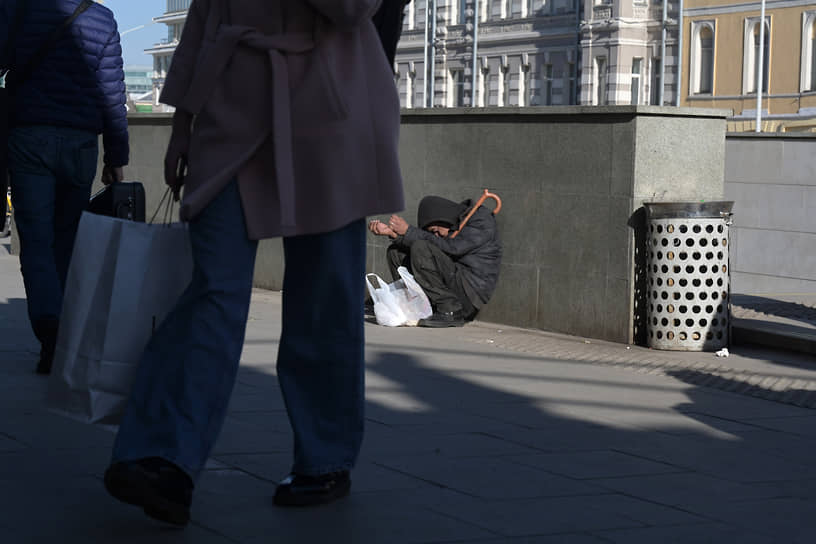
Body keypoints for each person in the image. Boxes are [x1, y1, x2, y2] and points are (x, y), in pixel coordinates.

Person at [103, 0, 404, 527]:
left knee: (324, 295)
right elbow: (204, 16)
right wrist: (182, 123)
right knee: (211, 287)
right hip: (230, 111)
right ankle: (165, 456)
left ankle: (325, 457)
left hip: (328, 110)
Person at [1, 0, 129, 375]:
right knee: (68, 239)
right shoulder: (103, 19)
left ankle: (50, 332)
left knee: (37, 242)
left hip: (29, 136)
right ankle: (68, 331)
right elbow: (112, 95)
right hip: (81, 143)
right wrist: (115, 157)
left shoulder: (19, 9)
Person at [369, 195, 502, 327]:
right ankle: (415, 306)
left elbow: (453, 248)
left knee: (421, 247)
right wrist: (393, 235)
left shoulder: (481, 221)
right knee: (396, 252)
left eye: (435, 231)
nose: (437, 235)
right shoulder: (457, 222)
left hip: (468, 295)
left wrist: (409, 231)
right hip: (454, 280)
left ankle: (450, 310)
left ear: (444, 218)